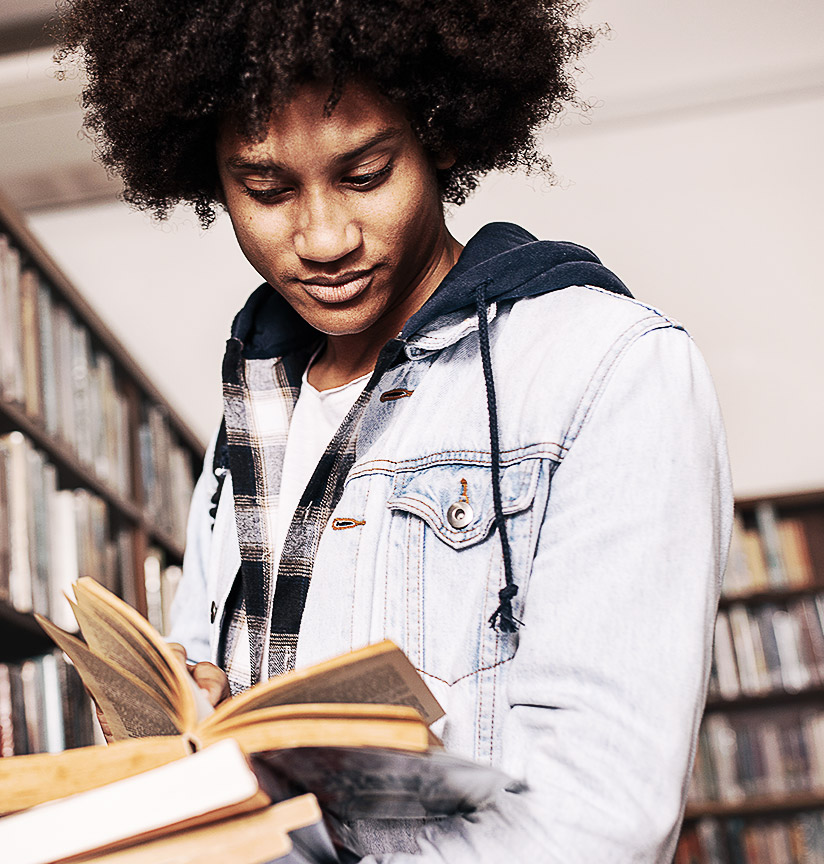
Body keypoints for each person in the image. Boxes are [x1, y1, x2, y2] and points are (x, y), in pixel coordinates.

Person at [58, 1, 732, 861]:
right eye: (265, 190)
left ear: (440, 136)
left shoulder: (609, 367)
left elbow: (598, 818)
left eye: (367, 173)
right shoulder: (256, 402)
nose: (324, 238)